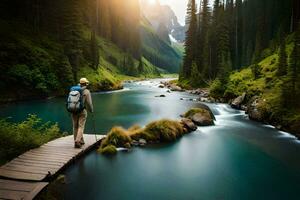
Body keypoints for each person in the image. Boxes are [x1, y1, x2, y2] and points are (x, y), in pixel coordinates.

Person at [72, 78, 94, 148]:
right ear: (86, 84)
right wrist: (91, 110)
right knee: (81, 126)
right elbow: (89, 103)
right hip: (82, 111)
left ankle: (80, 140)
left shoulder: (73, 90)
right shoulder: (86, 91)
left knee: (75, 126)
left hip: (73, 110)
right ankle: (77, 141)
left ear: (80, 83)